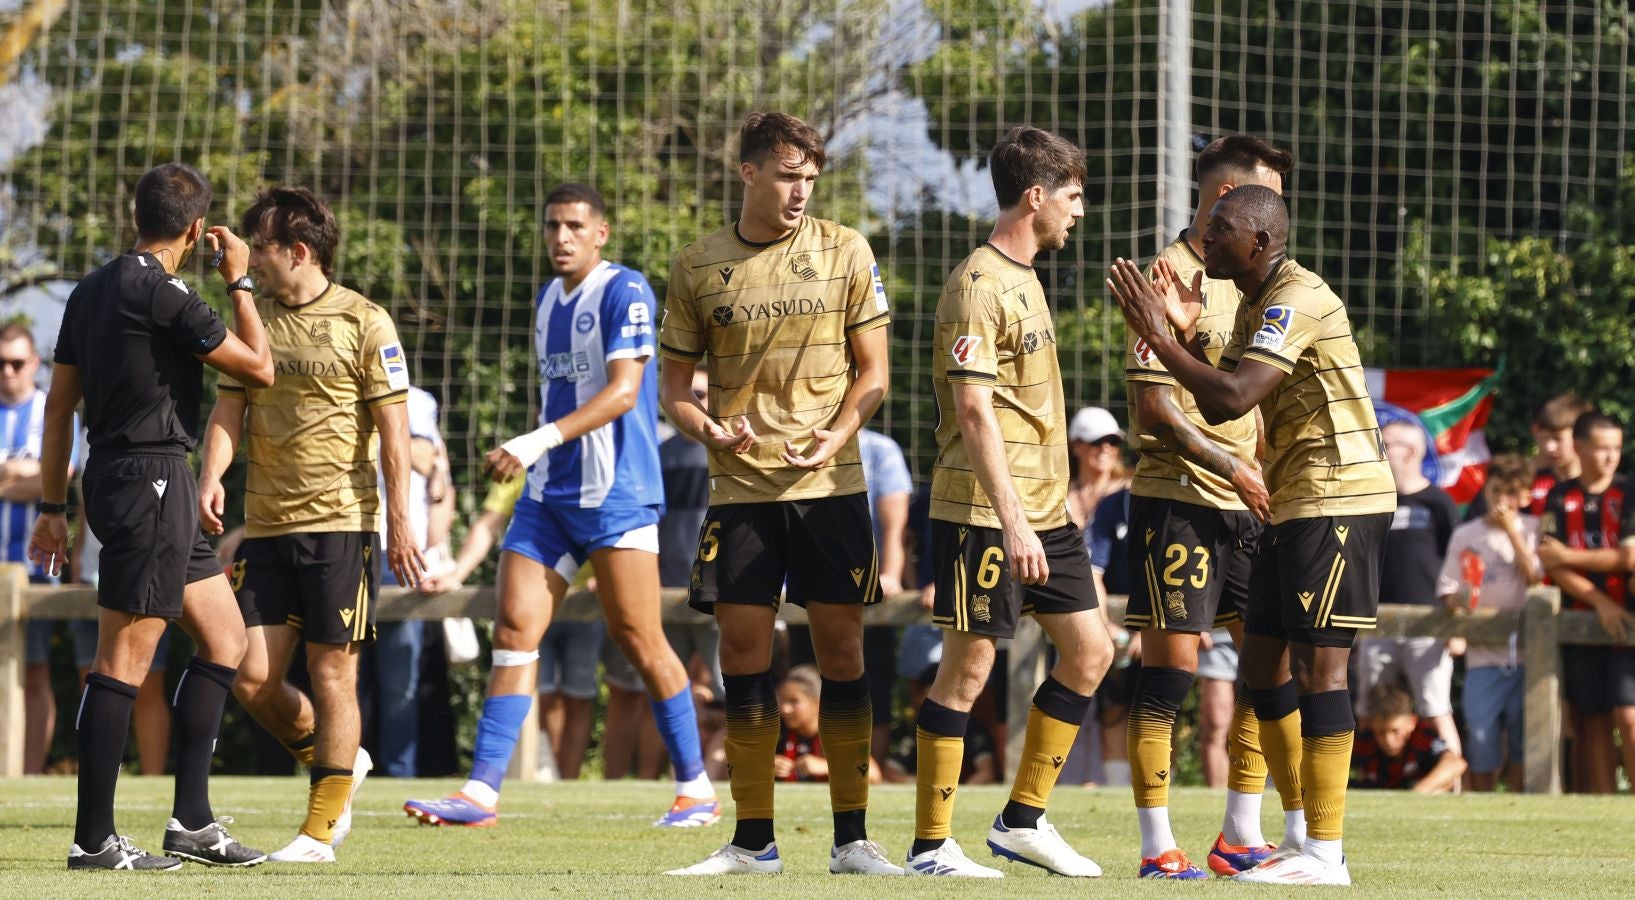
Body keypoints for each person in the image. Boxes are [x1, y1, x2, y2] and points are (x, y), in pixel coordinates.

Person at [404, 183, 718, 830]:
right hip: (550, 497)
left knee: (638, 637)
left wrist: (532, 440)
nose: (561, 237)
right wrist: (535, 451)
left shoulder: (624, 290)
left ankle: (695, 789)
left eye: (574, 225)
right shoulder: (548, 299)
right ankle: (481, 793)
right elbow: (559, 402)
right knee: (516, 631)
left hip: (616, 497)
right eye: (552, 225)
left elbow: (626, 392)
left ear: (599, 232)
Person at [1111, 182, 1397, 885]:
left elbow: (1231, 398)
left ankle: (1323, 854)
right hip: (1292, 500)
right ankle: (1288, 834)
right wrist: (1180, 330)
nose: (1203, 238)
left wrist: (1157, 333)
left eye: (1220, 227)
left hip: (1339, 495)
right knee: (1262, 663)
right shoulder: (1248, 303)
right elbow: (1224, 383)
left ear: (1260, 242)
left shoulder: (1294, 296)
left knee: (1320, 670)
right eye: (1205, 225)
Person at [658, 113, 897, 877]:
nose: (800, 192)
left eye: (810, 180)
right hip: (740, 493)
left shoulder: (844, 249)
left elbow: (875, 374)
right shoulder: (697, 265)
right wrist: (707, 430)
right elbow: (673, 394)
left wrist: (834, 435)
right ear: (749, 173)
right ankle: (752, 841)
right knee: (741, 655)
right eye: (788, 176)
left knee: (841, 652)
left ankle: (852, 840)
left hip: (830, 485)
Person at [30, 161, 272, 871]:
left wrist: (53, 505)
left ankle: (193, 824)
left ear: (138, 216)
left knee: (225, 639)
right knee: (122, 663)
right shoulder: (168, 294)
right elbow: (258, 368)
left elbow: (56, 408)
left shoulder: (91, 290)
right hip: (152, 480)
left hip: (127, 476)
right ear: (197, 231)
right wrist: (240, 278)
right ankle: (94, 841)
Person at [908, 125, 1113, 880]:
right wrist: (1015, 518)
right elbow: (973, 414)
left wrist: (1048, 507)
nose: (1078, 212)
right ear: (1036, 196)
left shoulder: (1026, 277)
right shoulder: (977, 285)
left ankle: (1022, 820)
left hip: (1043, 512)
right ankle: (930, 846)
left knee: (1092, 652)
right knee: (966, 672)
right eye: (1072, 196)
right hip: (983, 514)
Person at [197, 186, 422, 862]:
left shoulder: (366, 321)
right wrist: (209, 477)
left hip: (342, 526)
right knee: (249, 677)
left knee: (333, 676)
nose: (254, 261)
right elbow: (229, 411)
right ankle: (340, 765)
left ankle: (320, 830)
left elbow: (396, 431)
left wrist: (402, 520)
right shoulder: (251, 317)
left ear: (297, 251)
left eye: (260, 248)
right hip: (266, 526)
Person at [1119, 134, 1302, 879]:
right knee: (1169, 673)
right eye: (1267, 192)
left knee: (1265, 664)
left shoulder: (1257, 279)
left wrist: (1260, 463)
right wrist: (1228, 462)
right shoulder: (1165, 274)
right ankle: (1155, 845)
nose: (1277, 210)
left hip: (1245, 500)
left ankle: (1240, 833)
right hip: (1180, 500)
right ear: (1226, 197)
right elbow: (1151, 407)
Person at [1537, 412, 1635, 794]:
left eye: (1616, 447)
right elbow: (1550, 563)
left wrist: (1568, 557)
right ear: (1579, 447)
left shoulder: (1629, 493)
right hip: (1581, 618)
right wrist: (1599, 601)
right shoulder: (1559, 496)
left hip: (1626, 622)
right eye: (1602, 447)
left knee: (1628, 716)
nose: (1611, 456)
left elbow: (1628, 559)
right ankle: (1605, 805)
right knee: (1591, 720)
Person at [1354, 421, 1461, 759]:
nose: (1379, 449)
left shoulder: (1439, 503)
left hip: (1428, 626)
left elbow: (1458, 565)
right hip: (1376, 624)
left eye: (1386, 443)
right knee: (1368, 708)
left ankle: (1452, 778)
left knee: (1435, 707)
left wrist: (1457, 627)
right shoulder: (1373, 502)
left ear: (1411, 451)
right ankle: (1360, 782)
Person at [1440, 453, 1540, 792]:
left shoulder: (1535, 529)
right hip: (1482, 654)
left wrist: (1513, 531)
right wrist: (1458, 602)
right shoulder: (1466, 534)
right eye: (1496, 490)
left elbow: (1538, 581)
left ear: (1526, 496)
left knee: (1523, 741)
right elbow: (1448, 590)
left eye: (1511, 493)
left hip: (1530, 655)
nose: (1501, 501)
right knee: (1481, 734)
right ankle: (1482, 802)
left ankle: (1520, 806)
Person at [370, 385, 453, 778]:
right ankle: (339, 772)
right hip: (346, 545)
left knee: (401, 678)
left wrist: (435, 553)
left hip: (403, 552)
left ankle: (397, 773)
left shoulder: (418, 401)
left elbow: (431, 468)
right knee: (341, 673)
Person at [10, 325, 79, 775]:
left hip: (32, 567)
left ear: (35, 362)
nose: (7, 371)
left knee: (34, 672)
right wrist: (19, 471)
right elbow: (33, 475)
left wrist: (20, 474)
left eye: (16, 362)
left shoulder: (49, 409)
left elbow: (61, 474)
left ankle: (28, 773)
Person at [1060, 407, 1132, 793]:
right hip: (1069, 609)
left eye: (1112, 441)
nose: (1105, 448)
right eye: (1096, 441)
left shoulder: (1130, 495)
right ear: (1076, 446)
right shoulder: (1059, 495)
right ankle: (1080, 781)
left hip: (1127, 614)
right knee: (1079, 696)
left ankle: (1123, 786)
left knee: (1127, 704)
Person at [1467, 392, 1591, 519]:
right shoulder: (1512, 479)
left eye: (1558, 439)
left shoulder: (1600, 485)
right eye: (1545, 437)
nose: (1550, 447)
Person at [774, 665, 883, 783]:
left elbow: (873, 773)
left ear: (817, 703)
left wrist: (825, 767)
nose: (784, 709)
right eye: (781, 701)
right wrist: (768, 766)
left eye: (794, 701)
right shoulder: (778, 732)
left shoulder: (836, 734)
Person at [1349, 683, 1466, 793]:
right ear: (1371, 725)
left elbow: (1455, 763)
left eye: (1395, 731)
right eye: (1381, 732)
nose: (1388, 741)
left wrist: (1416, 793)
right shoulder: (1363, 742)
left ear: (1412, 722)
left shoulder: (1422, 737)